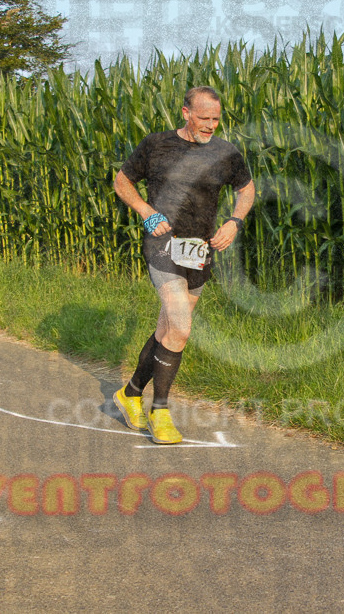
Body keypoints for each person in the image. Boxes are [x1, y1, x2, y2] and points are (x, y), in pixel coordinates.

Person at [111, 86, 255, 444]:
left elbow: (247, 189)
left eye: (216, 119)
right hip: (162, 245)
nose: (210, 126)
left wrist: (234, 222)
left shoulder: (226, 152)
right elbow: (122, 181)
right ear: (185, 113)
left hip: (199, 250)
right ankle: (160, 411)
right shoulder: (156, 144)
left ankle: (129, 394)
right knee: (181, 325)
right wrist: (145, 212)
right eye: (204, 118)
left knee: (168, 332)